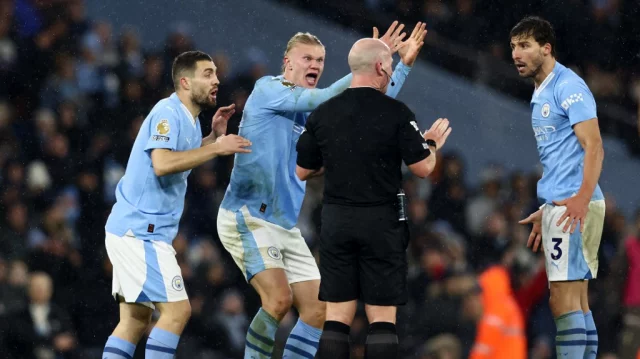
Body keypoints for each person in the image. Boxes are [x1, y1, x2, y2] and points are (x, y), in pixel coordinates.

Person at [216, 20, 427, 359]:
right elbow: (333, 95)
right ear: (287, 62)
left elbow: (373, 105)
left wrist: (400, 66)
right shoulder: (268, 89)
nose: (314, 65)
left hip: (285, 226)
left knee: (318, 312)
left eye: (319, 60)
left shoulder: (314, 114)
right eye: (307, 58)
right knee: (279, 300)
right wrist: (369, 63)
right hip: (247, 216)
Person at [296, 37, 451, 359]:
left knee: (336, 319)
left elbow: (302, 170)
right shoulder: (396, 112)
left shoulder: (324, 113)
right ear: (380, 66)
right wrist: (432, 144)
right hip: (382, 222)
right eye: (391, 66)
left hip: (337, 220)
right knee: (381, 320)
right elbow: (423, 168)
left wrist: (340, 160)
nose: (391, 71)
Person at [101, 50, 252, 359]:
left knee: (134, 321)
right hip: (140, 232)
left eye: (216, 73)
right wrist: (217, 150)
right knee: (178, 311)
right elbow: (162, 163)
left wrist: (211, 139)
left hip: (139, 231)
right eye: (207, 74)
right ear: (185, 81)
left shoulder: (190, 121)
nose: (217, 80)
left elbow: (180, 159)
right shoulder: (167, 112)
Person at [513, 16, 605, 359]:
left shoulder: (568, 86)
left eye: (525, 46)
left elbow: (594, 145)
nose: (516, 54)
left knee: (562, 301)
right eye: (513, 47)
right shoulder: (545, 87)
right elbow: (565, 155)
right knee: (579, 302)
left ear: (546, 48)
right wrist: (548, 207)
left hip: (574, 204)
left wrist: (577, 200)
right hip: (567, 202)